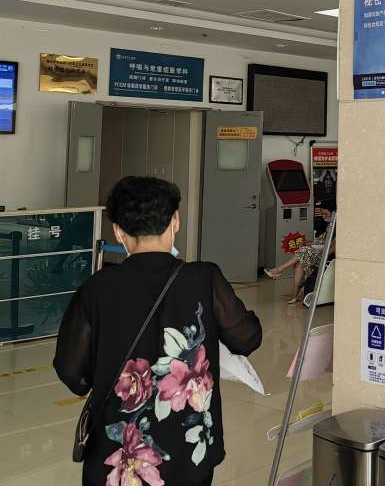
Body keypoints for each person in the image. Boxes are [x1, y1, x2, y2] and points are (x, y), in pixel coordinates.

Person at [54, 177, 262, 486]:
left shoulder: (97, 288)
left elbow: (73, 374)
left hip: (120, 457)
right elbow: (247, 338)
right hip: (190, 455)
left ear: (118, 231)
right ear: (175, 221)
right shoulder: (204, 278)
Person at [265, 200, 336, 304]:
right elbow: (319, 241)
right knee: (299, 263)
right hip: (317, 253)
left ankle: (279, 269)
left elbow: (331, 248)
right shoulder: (324, 225)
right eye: (322, 214)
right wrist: (313, 245)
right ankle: (294, 294)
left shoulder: (338, 227)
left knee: (303, 251)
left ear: (334, 213)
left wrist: (315, 248)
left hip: (326, 256)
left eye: (326, 214)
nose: (323, 216)